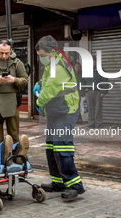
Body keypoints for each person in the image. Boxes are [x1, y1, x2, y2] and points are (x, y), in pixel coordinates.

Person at [34, 35, 85, 200]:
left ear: (51, 52)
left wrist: (39, 101)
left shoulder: (59, 66)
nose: (40, 59)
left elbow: (50, 89)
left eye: (42, 55)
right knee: (51, 148)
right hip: (57, 110)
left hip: (66, 111)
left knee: (63, 147)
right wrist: (39, 83)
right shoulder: (54, 62)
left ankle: (75, 185)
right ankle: (58, 182)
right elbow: (47, 81)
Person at [82, 56, 109, 128]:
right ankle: (91, 122)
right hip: (89, 91)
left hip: (98, 91)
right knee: (90, 108)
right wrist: (83, 92)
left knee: (98, 108)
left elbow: (105, 81)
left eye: (93, 61)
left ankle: (98, 123)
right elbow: (83, 82)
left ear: (96, 61)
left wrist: (103, 91)